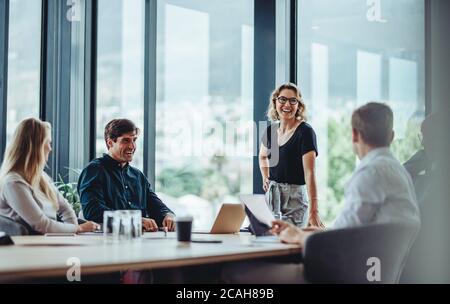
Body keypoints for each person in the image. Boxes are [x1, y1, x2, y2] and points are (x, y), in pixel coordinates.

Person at [222, 102, 421, 283]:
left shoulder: (370, 173)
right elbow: (353, 231)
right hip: (372, 274)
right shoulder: (398, 172)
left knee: (232, 273)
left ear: (354, 135)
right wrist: (302, 231)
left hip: (340, 275)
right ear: (392, 136)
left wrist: (297, 236)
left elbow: (341, 242)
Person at [0, 118, 99, 235]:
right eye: (48, 143)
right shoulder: (13, 183)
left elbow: (65, 209)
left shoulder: (41, 177)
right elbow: (41, 225)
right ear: (36, 147)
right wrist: (78, 229)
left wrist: (73, 234)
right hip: (26, 248)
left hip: (45, 242)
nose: (50, 149)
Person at [78, 119, 175, 232]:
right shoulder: (94, 170)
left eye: (134, 140)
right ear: (110, 143)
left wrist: (168, 215)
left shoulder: (138, 175)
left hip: (140, 241)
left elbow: (155, 205)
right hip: (107, 241)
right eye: (126, 141)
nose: (132, 146)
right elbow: (92, 211)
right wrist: (134, 220)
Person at [260, 83, 323, 228]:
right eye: (282, 99)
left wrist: (314, 211)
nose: (287, 104)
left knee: (291, 246)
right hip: (272, 197)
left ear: (298, 105)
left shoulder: (305, 132)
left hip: (295, 199)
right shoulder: (271, 131)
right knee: (270, 244)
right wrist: (265, 176)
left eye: (293, 100)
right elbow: (263, 156)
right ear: (275, 102)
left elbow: (310, 173)